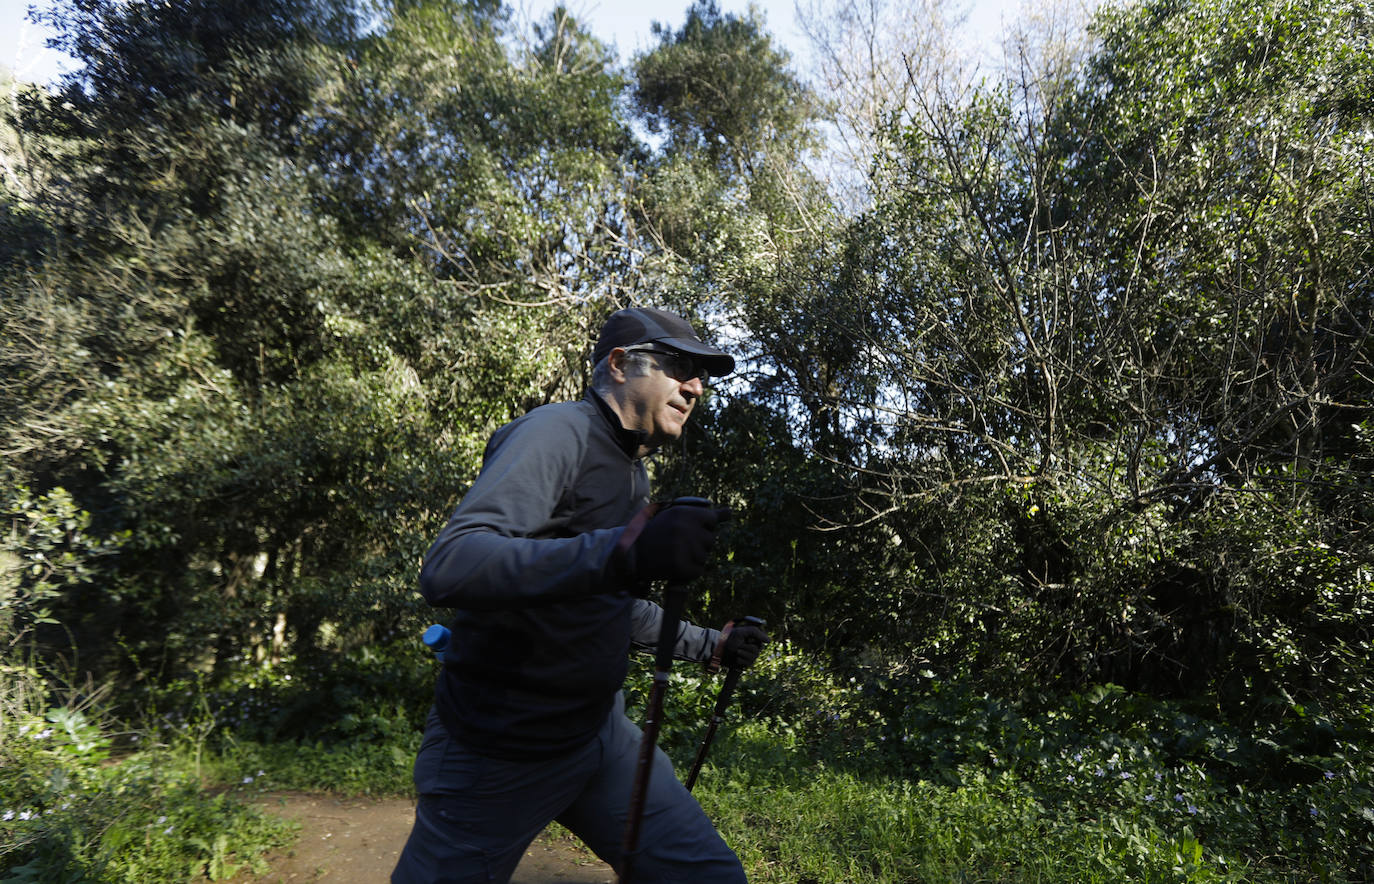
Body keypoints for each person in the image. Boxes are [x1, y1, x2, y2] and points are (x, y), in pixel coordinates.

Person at [392, 306, 770, 884]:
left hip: (598, 737)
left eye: (701, 375)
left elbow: (604, 603)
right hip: (498, 752)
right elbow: (452, 565)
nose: (695, 386)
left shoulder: (631, 470)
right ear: (619, 365)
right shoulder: (557, 432)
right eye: (678, 366)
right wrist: (625, 551)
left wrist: (708, 645)